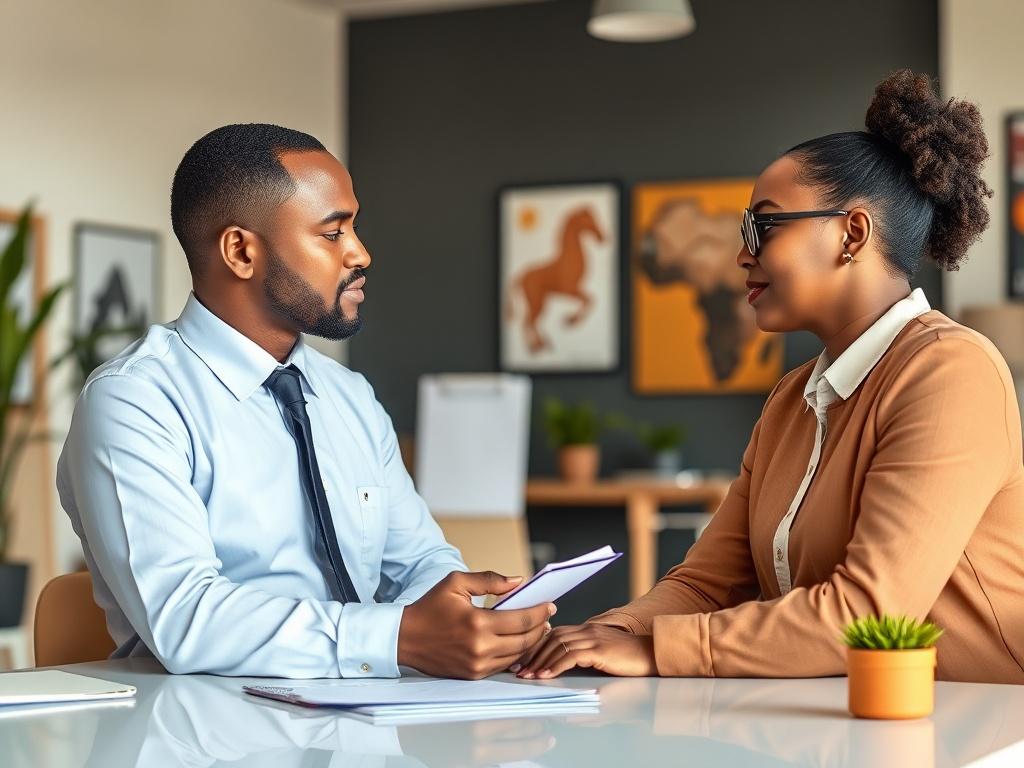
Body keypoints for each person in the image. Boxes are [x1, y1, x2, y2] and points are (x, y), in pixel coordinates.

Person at [518, 70, 1024, 684]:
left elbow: (866, 615)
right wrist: (609, 635)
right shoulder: (793, 400)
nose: (741, 254)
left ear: (851, 233)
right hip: (836, 722)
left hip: (974, 725)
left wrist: (656, 650)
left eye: (764, 225)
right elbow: (707, 584)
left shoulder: (949, 372)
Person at [57, 123, 554, 679]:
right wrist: (395, 637)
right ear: (241, 251)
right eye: (332, 233)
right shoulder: (134, 401)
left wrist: (477, 617)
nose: (361, 254)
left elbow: (417, 563)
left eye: (354, 228)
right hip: (198, 734)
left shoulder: (349, 397)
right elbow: (185, 618)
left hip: (370, 721)